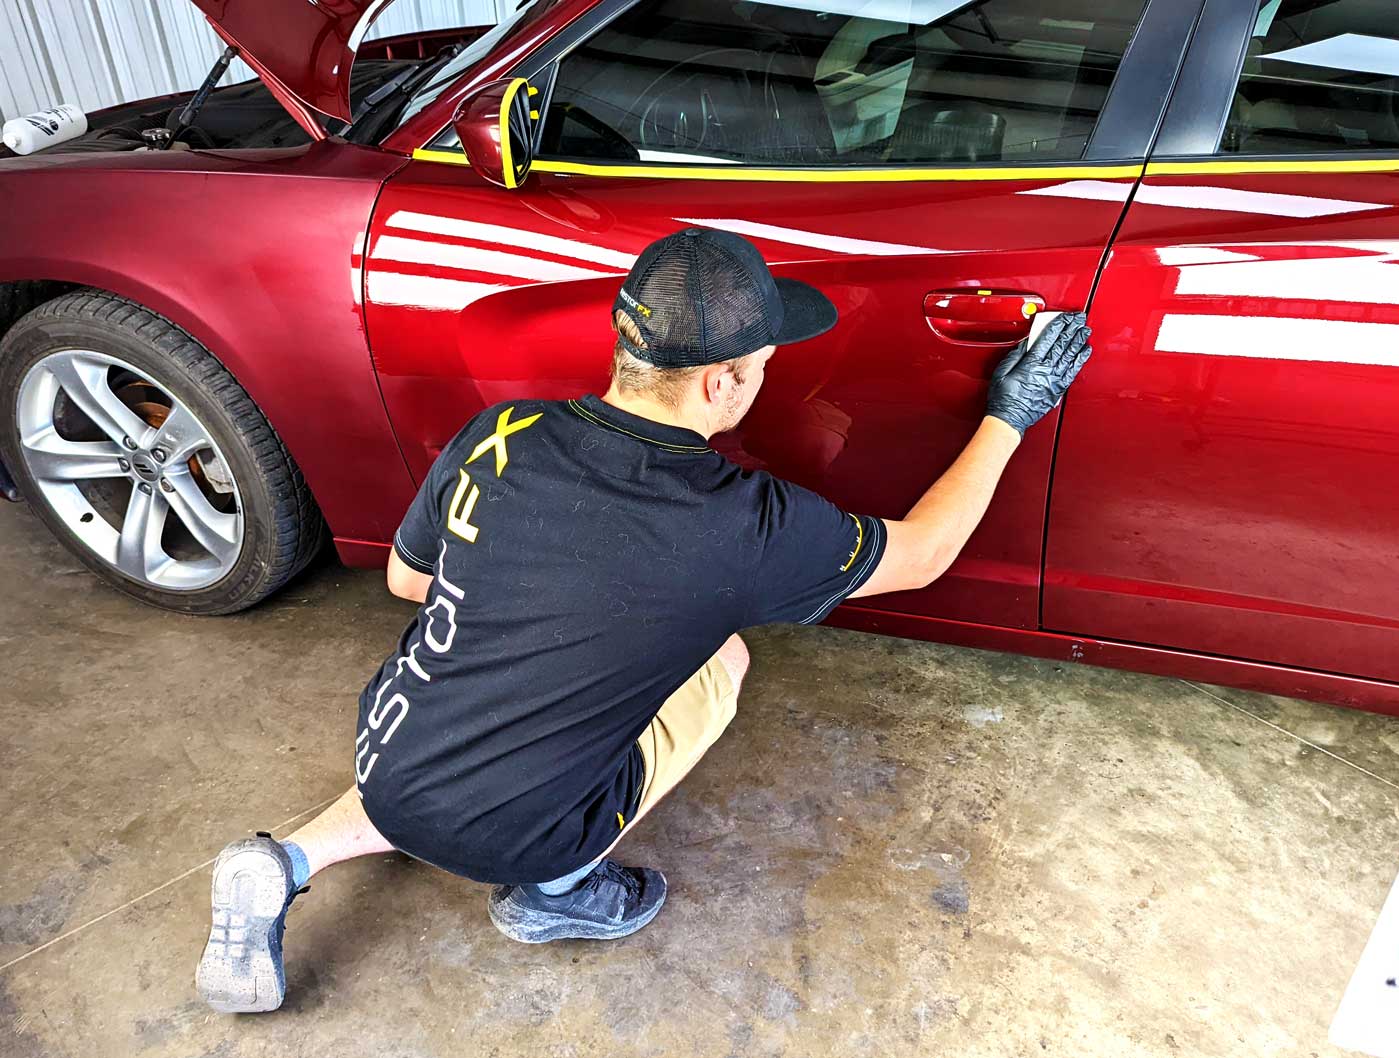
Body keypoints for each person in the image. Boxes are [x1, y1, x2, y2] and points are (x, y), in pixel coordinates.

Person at [195, 227, 1091, 1013]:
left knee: (453, 736)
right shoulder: (743, 524)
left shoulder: (501, 431)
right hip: (523, 833)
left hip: (382, 747)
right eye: (764, 368)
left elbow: (403, 579)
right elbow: (925, 554)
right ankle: (554, 889)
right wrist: (1012, 414)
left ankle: (281, 864)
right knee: (723, 661)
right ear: (724, 381)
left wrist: (536, 600)